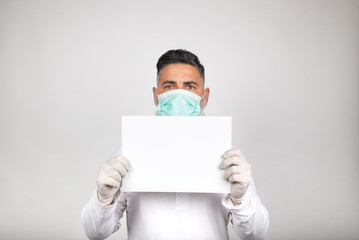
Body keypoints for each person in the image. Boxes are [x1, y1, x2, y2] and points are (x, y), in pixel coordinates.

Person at [82, 49, 269, 240]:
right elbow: (95, 233)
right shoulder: (130, 150)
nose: (180, 94)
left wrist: (240, 199)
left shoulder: (228, 155)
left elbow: (256, 234)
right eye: (169, 86)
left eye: (189, 86)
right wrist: (103, 198)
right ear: (156, 95)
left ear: (205, 96)